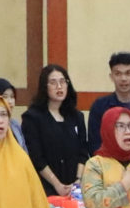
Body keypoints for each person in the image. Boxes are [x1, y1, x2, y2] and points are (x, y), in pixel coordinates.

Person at [23, 64, 87, 196]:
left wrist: (78, 180)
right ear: (44, 86)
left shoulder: (76, 116)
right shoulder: (33, 117)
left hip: (75, 187)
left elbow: (83, 152)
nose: (59, 86)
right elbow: (36, 157)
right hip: (46, 187)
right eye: (53, 82)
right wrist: (57, 184)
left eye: (63, 81)